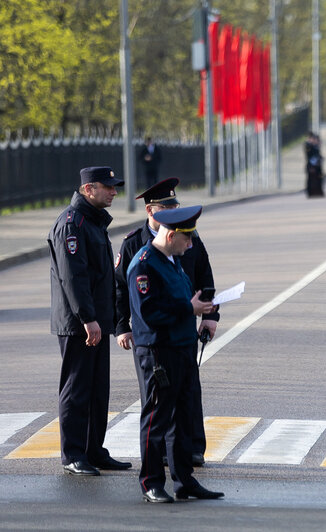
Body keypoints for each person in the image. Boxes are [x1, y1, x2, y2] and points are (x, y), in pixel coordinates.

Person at [114, 177, 219, 467]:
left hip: (182, 333)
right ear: (151, 212)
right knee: (156, 396)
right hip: (154, 338)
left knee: (188, 392)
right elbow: (121, 288)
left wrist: (210, 315)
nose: (174, 211)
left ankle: (191, 449)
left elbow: (203, 276)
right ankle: (158, 454)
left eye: (175, 205)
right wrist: (121, 326)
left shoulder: (189, 237)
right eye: (166, 208)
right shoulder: (136, 244)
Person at [127, 205, 224, 503]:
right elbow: (149, 313)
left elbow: (182, 297)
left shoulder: (171, 260)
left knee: (183, 418)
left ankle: (185, 481)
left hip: (181, 350)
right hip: (159, 353)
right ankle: (151, 482)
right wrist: (189, 308)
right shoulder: (144, 264)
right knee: (157, 419)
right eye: (187, 238)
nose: (191, 244)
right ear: (170, 235)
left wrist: (200, 306)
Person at [47, 166, 132, 476]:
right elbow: (73, 277)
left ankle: (94, 450)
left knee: (98, 389)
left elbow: (95, 272)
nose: (114, 192)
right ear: (88, 189)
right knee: (77, 388)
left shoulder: (93, 223)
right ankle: (72, 453)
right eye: (107, 187)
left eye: (114, 187)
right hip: (79, 324)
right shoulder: (72, 224)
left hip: (97, 321)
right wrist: (88, 318)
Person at [304, 132, 324, 198]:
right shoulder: (308, 145)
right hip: (311, 165)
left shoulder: (315, 146)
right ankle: (310, 192)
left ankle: (317, 192)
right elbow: (309, 156)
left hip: (316, 165)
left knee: (318, 178)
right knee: (310, 180)